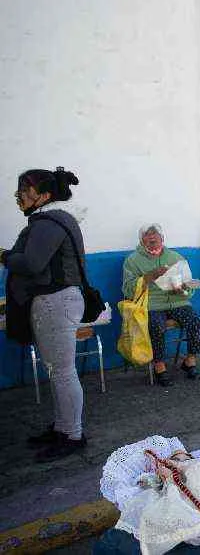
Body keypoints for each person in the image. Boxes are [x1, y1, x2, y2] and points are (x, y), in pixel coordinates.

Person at [1, 168, 88, 462]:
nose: (20, 198)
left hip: (55, 302)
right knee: (59, 372)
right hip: (56, 302)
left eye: (25, 193)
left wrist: (4, 257)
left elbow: (32, 263)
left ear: (45, 195)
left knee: (63, 372)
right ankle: (63, 427)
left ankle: (73, 435)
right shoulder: (53, 219)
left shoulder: (49, 222)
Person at [122, 225, 200, 386]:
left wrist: (182, 289)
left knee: (195, 321)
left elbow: (189, 289)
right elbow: (127, 290)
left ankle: (190, 361)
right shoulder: (132, 260)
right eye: (148, 237)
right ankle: (159, 366)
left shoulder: (175, 257)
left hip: (178, 302)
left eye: (156, 237)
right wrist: (149, 276)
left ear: (162, 239)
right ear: (142, 241)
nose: (152, 240)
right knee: (156, 326)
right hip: (152, 304)